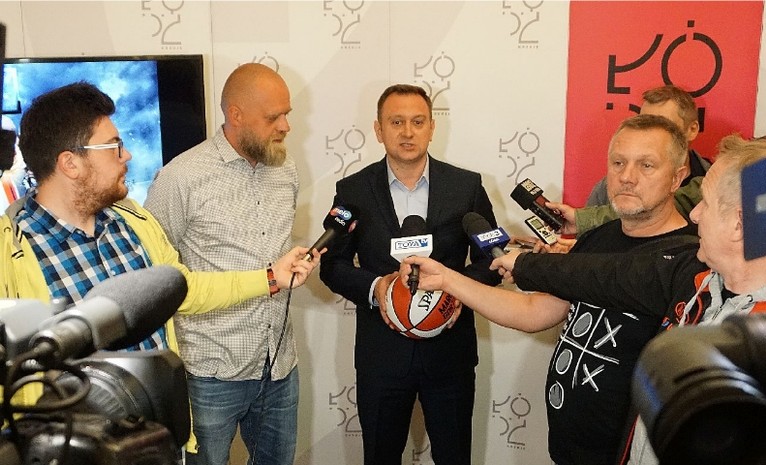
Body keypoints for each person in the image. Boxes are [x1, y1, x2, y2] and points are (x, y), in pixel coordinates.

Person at [0, 81, 319, 449]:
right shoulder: (10, 252)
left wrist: (271, 277)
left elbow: (184, 288)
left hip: (155, 437)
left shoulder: (133, 223)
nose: (127, 155)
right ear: (70, 163)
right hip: (70, 446)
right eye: (114, 146)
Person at [400, 114, 700, 465]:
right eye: (618, 163)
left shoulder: (687, 259)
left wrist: (530, 267)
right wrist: (447, 279)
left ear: (677, 177)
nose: (627, 177)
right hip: (567, 447)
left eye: (646, 165)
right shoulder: (598, 237)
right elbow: (534, 312)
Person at [319, 84, 501, 465]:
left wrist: (458, 291)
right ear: (378, 129)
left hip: (450, 356)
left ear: (432, 127)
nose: (407, 132)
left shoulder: (466, 187)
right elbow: (332, 266)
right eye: (396, 122)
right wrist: (377, 288)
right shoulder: (353, 190)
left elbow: (493, 259)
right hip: (381, 358)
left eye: (418, 122)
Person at [143, 63, 302, 465]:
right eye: (273, 117)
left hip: (279, 366)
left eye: (286, 114)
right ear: (236, 114)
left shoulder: (286, 169)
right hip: (208, 375)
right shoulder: (180, 178)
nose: (285, 126)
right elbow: (155, 275)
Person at [586, 84, 710, 207]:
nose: (651, 135)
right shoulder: (607, 189)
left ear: (692, 130)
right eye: (644, 124)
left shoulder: (713, 181)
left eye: (665, 126)